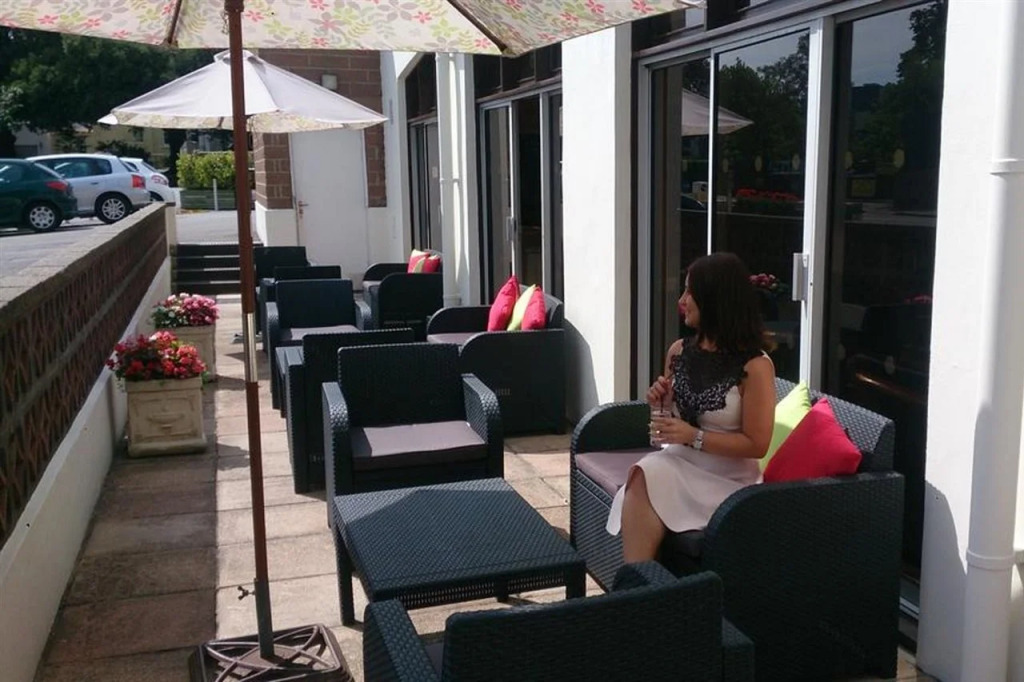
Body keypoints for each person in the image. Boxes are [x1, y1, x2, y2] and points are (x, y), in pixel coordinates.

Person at [606, 252, 777, 563]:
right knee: (644, 472)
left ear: (714, 300)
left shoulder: (756, 366)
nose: (682, 300)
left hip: (729, 480)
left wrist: (692, 436)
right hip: (680, 461)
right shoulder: (679, 351)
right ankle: (638, 579)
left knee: (647, 474)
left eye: (689, 292)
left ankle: (636, 582)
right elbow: (663, 436)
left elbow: (758, 444)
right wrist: (661, 405)